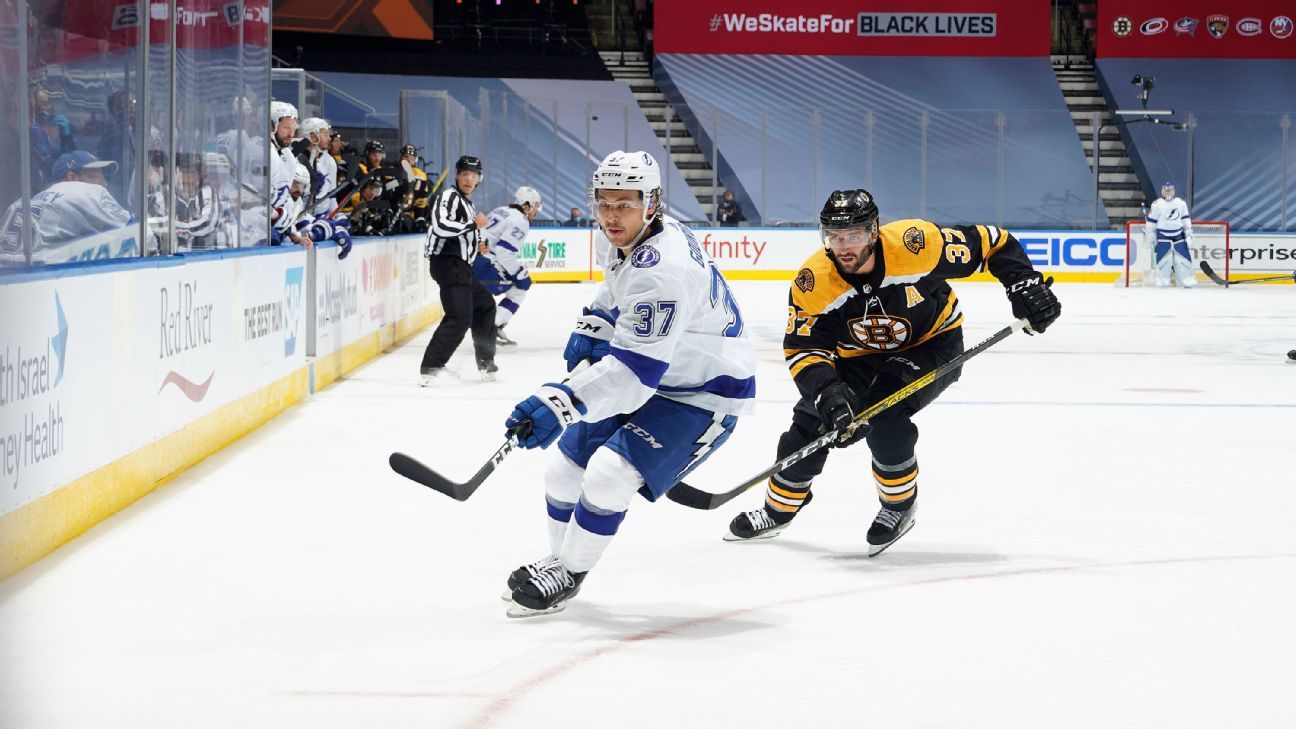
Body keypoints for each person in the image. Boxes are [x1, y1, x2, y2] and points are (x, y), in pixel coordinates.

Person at [724, 189, 1061, 556]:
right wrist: (829, 393)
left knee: (885, 415)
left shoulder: (916, 245)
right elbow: (804, 349)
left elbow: (993, 242)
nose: (844, 246)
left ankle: (899, 507)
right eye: (835, 237)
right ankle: (779, 509)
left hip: (931, 343)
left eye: (853, 235)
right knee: (811, 421)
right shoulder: (814, 281)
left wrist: (1024, 285)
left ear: (873, 231)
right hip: (856, 356)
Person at [500, 150, 756, 617]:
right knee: (564, 467)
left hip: (706, 389)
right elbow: (616, 286)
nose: (612, 215)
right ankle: (560, 562)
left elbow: (633, 379)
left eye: (625, 203)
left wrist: (562, 402)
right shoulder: (623, 236)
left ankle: (570, 572)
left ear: (652, 202)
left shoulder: (666, 269)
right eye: (604, 202)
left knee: (607, 474)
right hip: (661, 367)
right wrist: (596, 322)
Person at [420, 155, 494, 383]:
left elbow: (467, 233)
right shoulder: (449, 196)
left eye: (473, 175)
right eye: (464, 174)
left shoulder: (466, 203)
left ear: (479, 179)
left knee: (485, 305)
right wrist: (473, 225)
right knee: (459, 317)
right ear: (456, 176)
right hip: (447, 262)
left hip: (460, 265)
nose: (468, 179)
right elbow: (441, 226)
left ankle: (486, 362)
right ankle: (431, 367)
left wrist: (481, 243)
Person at [0, 151, 132, 265]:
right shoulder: (86, 193)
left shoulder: (24, 202)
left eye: (103, 177)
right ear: (72, 178)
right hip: (48, 278)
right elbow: (138, 233)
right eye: (94, 176)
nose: (104, 183)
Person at [472, 185, 542, 346]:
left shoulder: (501, 210)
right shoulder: (520, 220)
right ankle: (490, 330)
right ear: (526, 204)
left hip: (473, 261)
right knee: (518, 291)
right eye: (535, 206)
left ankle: (490, 327)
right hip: (484, 265)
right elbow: (504, 251)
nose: (536, 211)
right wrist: (520, 275)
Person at [1146, 182, 1195, 288]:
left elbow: (1185, 219)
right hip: (1163, 235)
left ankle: (1188, 279)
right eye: (1166, 191)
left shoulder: (1181, 203)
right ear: (1163, 192)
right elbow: (1151, 222)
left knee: (1183, 259)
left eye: (1170, 190)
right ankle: (1162, 280)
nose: (1168, 193)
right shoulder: (1157, 204)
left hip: (1178, 235)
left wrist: (1189, 234)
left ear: (1173, 191)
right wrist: (1150, 236)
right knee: (1163, 260)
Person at [297, 117, 338, 218]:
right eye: (325, 134)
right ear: (313, 136)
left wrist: (337, 217)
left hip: (321, 217)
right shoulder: (295, 160)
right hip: (299, 217)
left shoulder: (329, 161)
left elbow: (331, 197)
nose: (329, 138)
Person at [396, 144, 431, 232]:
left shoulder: (420, 175)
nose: (408, 160)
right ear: (400, 158)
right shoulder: (392, 172)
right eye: (405, 157)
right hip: (393, 214)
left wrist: (419, 217)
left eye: (411, 157)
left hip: (410, 215)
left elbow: (421, 198)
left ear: (415, 160)